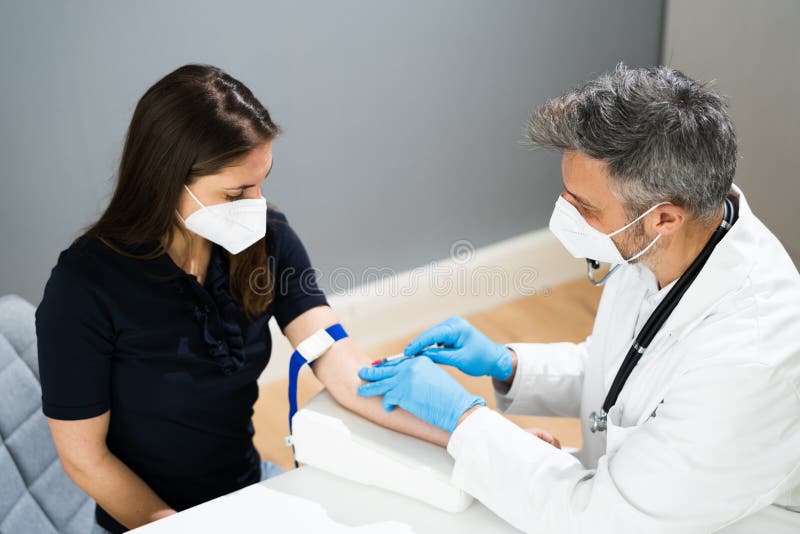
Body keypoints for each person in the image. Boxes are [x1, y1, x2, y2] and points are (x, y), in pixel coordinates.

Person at [358, 64, 800, 533]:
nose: (565, 217)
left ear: (664, 219)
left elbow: (594, 520)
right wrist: (510, 365)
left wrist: (465, 419)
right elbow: (630, 371)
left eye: (584, 208)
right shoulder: (661, 246)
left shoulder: (749, 363)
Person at [35, 64, 446, 534]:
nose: (257, 204)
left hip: (250, 492)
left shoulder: (267, 241)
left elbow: (346, 369)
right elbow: (85, 460)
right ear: (167, 181)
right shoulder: (84, 287)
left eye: (262, 181)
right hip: (147, 522)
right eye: (235, 193)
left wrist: (470, 437)